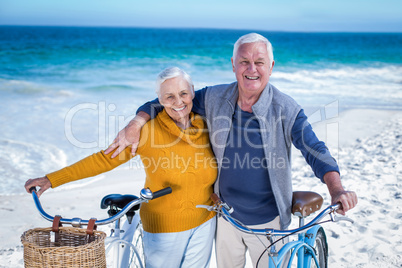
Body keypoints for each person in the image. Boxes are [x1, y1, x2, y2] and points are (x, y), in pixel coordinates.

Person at [105, 33, 358, 268]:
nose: (251, 69)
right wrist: (136, 123)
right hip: (225, 217)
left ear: (271, 66)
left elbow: (315, 149)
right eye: (244, 61)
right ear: (233, 64)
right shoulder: (215, 97)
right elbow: (167, 100)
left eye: (259, 62)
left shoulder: (286, 109)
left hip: (269, 222)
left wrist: (337, 189)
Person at [25, 67, 217, 268]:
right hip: (165, 227)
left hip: (206, 221)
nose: (178, 102)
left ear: (193, 92)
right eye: (169, 96)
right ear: (158, 100)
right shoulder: (146, 132)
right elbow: (103, 160)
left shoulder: (206, 125)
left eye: (183, 93)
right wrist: (51, 179)